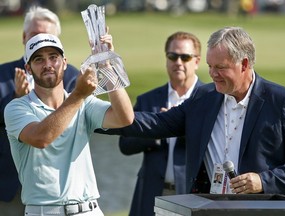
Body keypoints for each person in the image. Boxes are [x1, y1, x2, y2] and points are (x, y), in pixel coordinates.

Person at [96, 26, 285, 195]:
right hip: (210, 208)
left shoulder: (280, 101)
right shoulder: (203, 97)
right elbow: (156, 123)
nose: (212, 74)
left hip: (261, 209)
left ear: (244, 64)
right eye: (210, 66)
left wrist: (264, 181)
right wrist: (93, 117)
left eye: (220, 67)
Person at [4, 32, 133, 216]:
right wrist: (78, 95)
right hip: (44, 211)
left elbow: (125, 117)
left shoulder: (84, 103)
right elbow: (41, 138)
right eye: (39, 59)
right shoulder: (17, 108)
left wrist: (106, 65)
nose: (48, 65)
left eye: (53, 57)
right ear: (28, 68)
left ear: (64, 62)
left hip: (89, 209)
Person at [0, 6, 79, 215]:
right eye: (35, 35)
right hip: (10, 186)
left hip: (60, 186)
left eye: (48, 36)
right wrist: (16, 99)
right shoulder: (2, 74)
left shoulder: (71, 77)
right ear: (24, 36)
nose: (40, 41)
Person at [118, 31, 203, 216]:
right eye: (172, 56)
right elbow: (125, 144)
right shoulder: (148, 100)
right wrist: (157, 131)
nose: (178, 62)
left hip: (193, 196)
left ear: (196, 61)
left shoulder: (209, 99)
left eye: (185, 57)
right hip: (152, 193)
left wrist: (178, 128)